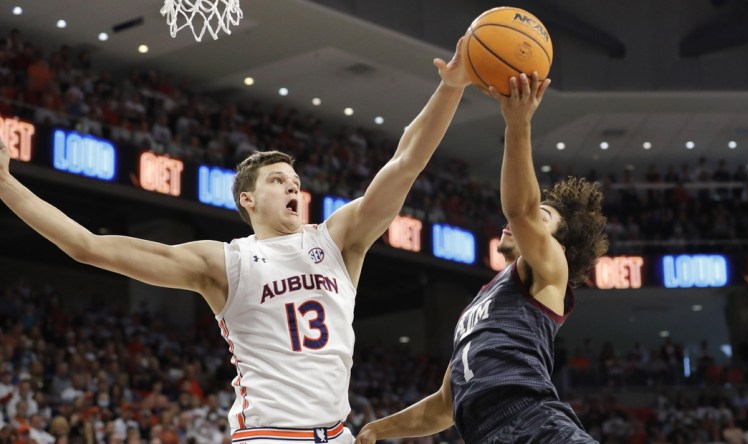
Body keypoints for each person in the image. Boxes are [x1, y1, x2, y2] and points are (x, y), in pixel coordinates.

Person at [0, 38, 472, 443]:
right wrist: (6, 185)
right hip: (268, 434)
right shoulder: (226, 262)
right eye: (278, 180)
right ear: (247, 199)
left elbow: (406, 162)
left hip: (337, 433)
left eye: (295, 181)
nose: (293, 187)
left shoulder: (339, 241)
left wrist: (450, 87)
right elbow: (88, 246)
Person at [355, 73, 608, 443]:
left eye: (544, 218)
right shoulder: (481, 302)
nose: (521, 222)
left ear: (559, 246)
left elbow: (521, 210)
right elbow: (444, 405)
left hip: (533, 422)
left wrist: (518, 123)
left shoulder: (551, 270)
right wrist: (380, 428)